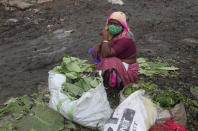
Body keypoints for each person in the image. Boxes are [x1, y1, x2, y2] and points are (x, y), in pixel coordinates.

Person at [90, 11, 139, 90]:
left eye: (116, 24)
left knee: (108, 60)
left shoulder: (126, 38)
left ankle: (114, 84)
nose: (113, 26)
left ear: (122, 25)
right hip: (119, 60)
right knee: (96, 49)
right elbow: (107, 46)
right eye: (111, 23)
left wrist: (105, 38)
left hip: (128, 68)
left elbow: (107, 53)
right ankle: (103, 74)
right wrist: (99, 45)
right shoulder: (114, 34)